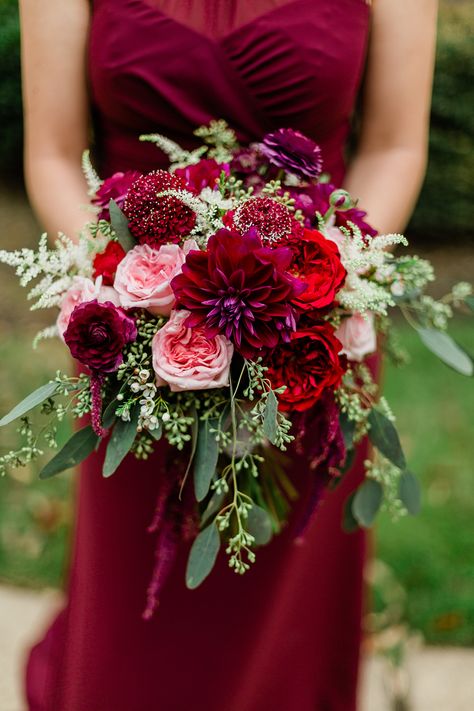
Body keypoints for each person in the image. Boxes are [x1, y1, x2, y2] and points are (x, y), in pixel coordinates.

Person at [19, 1, 438, 709]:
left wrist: (322, 287)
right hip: (134, 344)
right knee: (133, 617)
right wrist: (131, 290)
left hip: (309, 347)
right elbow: (53, 154)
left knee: (280, 628)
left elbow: (395, 146)